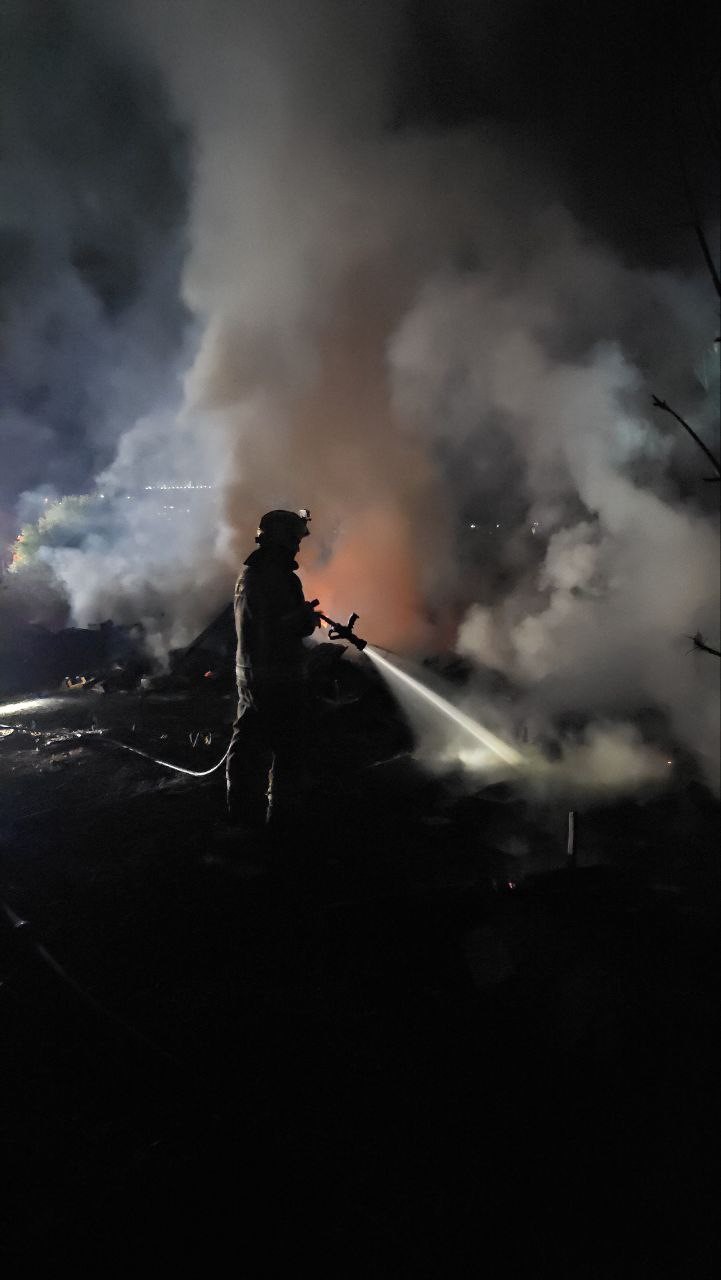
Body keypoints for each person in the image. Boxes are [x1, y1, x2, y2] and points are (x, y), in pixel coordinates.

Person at [225, 508, 321, 833]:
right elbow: (278, 629)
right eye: (295, 539)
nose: (297, 547)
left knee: (247, 747)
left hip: (251, 675)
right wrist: (305, 619)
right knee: (288, 751)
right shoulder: (278, 578)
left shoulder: (249, 575)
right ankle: (280, 825)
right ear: (282, 540)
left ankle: (242, 821)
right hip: (278, 679)